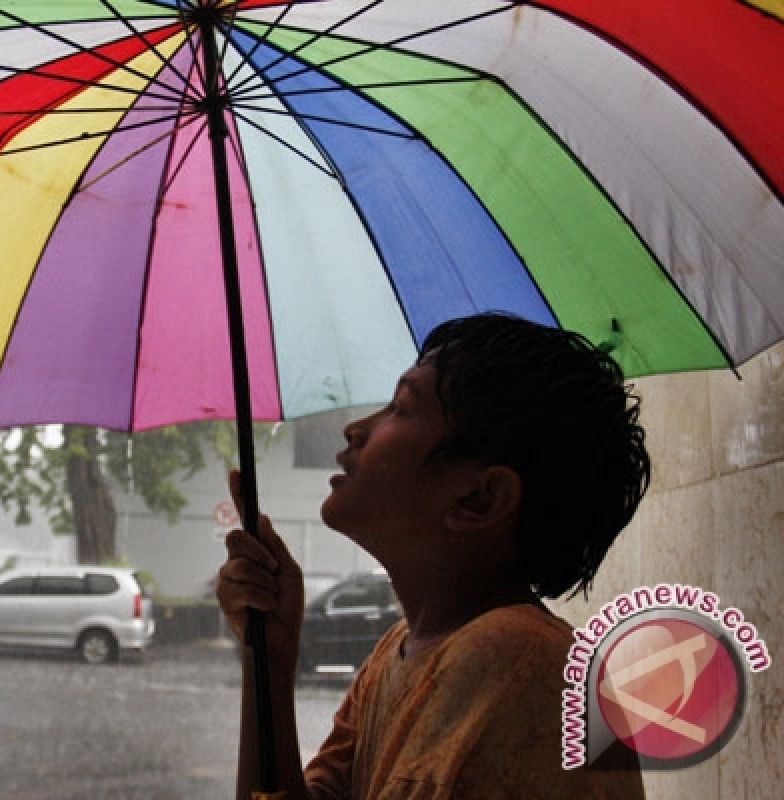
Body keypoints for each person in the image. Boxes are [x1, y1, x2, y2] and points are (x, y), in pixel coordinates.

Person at [217, 312, 649, 799]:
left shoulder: (514, 658)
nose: (356, 429)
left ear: (479, 500)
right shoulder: (399, 651)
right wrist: (269, 659)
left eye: (400, 408)